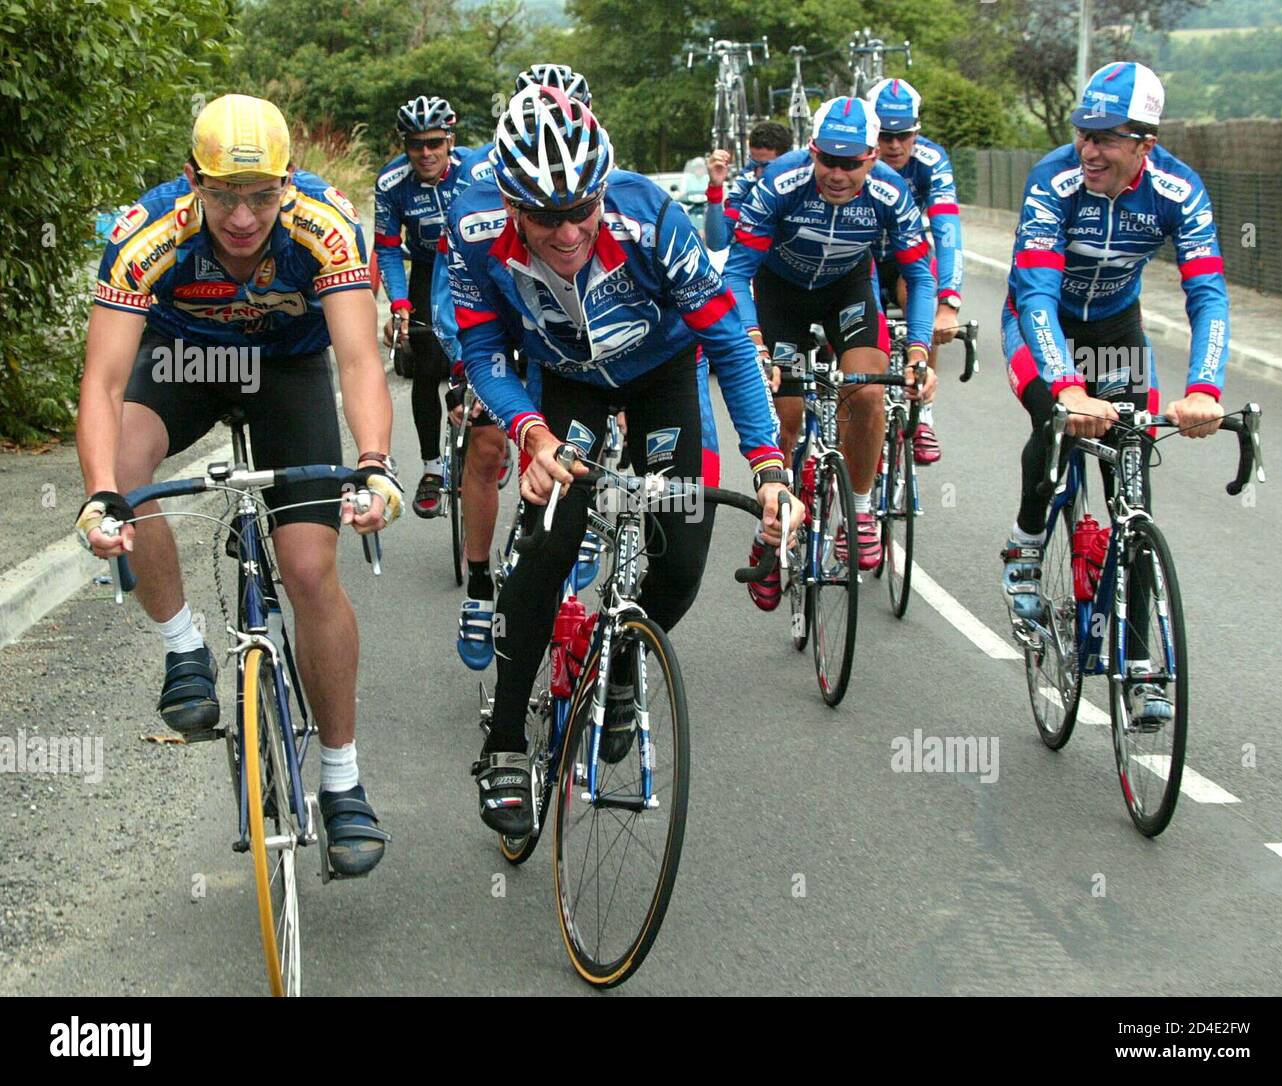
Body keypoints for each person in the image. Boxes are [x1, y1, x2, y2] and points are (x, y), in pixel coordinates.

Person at [445, 86, 797, 834]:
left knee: (682, 556)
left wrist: (768, 464)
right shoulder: (472, 232)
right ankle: (506, 740)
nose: (569, 231)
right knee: (549, 540)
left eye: (583, 209)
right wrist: (531, 435)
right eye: (546, 216)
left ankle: (626, 655)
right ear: (510, 203)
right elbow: (479, 349)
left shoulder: (651, 220)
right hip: (564, 387)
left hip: (663, 372)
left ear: (603, 190)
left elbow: (730, 344)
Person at [76, 94, 400, 875]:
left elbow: (357, 359)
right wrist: (97, 494)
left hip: (286, 368)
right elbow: (104, 378)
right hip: (186, 358)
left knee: (311, 569)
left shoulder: (325, 225)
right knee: (125, 471)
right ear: (194, 181)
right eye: (224, 196)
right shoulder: (147, 234)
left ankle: (342, 779)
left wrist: (377, 462)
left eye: (261, 196)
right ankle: (183, 648)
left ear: (288, 183)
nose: (245, 217)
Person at [1000, 63, 1227, 722]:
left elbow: (1207, 294)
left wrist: (1204, 388)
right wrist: (1067, 387)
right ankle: (1024, 542)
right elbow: (1037, 292)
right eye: (1083, 133)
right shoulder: (1055, 179)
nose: (1089, 150)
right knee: (1056, 424)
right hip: (1042, 319)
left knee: (1133, 486)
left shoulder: (1180, 191)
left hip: (1116, 324)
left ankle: (1139, 667)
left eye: (1106, 138)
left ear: (1143, 146)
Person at [723, 96, 936, 608]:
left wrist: (920, 349)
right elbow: (736, 272)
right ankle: (772, 527)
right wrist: (752, 339)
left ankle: (859, 510)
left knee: (866, 393)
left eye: (852, 163)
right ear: (811, 151)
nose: (837, 174)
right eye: (828, 161)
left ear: (872, 157)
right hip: (782, 298)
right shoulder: (778, 182)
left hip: (847, 292)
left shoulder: (891, 190)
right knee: (786, 416)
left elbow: (919, 274)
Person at [375, 94, 507, 668]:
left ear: (450, 142)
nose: (425, 154)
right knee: (424, 362)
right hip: (427, 266)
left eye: (434, 144)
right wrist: (399, 304)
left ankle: (483, 415)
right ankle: (432, 466)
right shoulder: (392, 183)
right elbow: (386, 248)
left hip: (477, 260)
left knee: (480, 361)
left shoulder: (479, 169)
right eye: (415, 145)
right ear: (404, 148)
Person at [865, 77, 963, 464]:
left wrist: (950, 302)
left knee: (924, 294)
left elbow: (948, 229)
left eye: (903, 136)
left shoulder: (931, 161)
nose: (893, 146)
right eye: (885, 136)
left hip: (908, 259)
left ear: (915, 133)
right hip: (862, 259)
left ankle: (923, 414)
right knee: (863, 329)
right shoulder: (858, 158)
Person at [703, 120, 794, 252]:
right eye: (754, 164)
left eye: (766, 166)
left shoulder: (808, 184)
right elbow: (717, 243)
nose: (758, 173)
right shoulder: (746, 184)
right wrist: (715, 188)